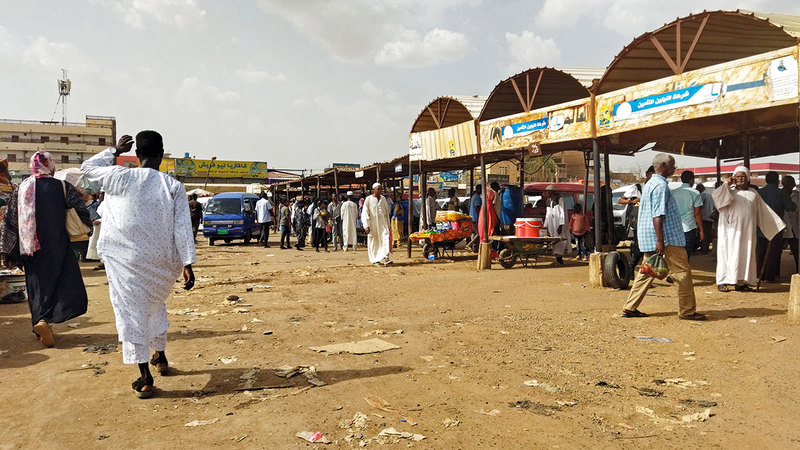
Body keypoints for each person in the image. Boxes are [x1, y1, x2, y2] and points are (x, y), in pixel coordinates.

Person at [81, 132, 196, 398]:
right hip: (162, 264)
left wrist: (114, 151)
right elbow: (182, 227)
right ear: (162, 153)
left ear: (137, 154)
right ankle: (161, 356)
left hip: (125, 262)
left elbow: (87, 170)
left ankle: (145, 377)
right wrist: (188, 263)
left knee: (131, 313)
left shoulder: (119, 176)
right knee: (154, 305)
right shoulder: (173, 186)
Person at [0, 151, 92, 348]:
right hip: (57, 244)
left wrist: (8, 251)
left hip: (30, 248)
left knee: (37, 285)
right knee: (62, 281)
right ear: (50, 164)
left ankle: (40, 323)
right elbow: (81, 211)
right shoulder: (61, 186)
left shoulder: (21, 188)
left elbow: (10, 221)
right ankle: (46, 321)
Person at [621, 153, 705, 320]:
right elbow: (658, 215)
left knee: (647, 272)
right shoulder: (660, 186)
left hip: (652, 236)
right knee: (682, 271)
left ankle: (630, 307)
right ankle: (687, 311)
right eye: (671, 165)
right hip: (666, 238)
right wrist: (660, 240)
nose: (674, 168)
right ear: (662, 167)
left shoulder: (650, 184)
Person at [713, 166, 786, 291]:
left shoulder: (754, 193)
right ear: (734, 177)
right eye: (738, 176)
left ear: (747, 178)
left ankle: (741, 283)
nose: (740, 178)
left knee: (746, 254)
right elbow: (717, 197)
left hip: (748, 232)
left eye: (743, 176)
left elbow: (764, 212)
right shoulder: (729, 191)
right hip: (730, 231)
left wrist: (776, 226)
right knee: (728, 254)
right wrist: (727, 183)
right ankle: (723, 281)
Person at [755, 171, 796, 282]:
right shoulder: (781, 193)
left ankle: (760, 275)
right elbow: (791, 207)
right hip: (776, 228)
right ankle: (770, 276)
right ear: (777, 181)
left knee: (761, 252)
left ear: (766, 180)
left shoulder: (759, 192)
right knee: (774, 252)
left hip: (760, 227)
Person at [671, 170, 704, 257]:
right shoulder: (695, 193)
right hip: (689, 227)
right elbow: (698, 213)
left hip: (676, 228)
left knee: (677, 254)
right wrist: (701, 230)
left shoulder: (673, 192)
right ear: (691, 180)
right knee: (686, 254)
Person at [362, 182, 392, 265]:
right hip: (373, 225)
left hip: (383, 224)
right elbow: (365, 213)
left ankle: (386, 258)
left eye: (380, 189)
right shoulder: (368, 199)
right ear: (373, 190)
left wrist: (388, 225)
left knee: (385, 239)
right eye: (378, 189)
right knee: (374, 242)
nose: (380, 191)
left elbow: (386, 213)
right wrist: (366, 226)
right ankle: (375, 259)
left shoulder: (383, 199)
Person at [543, 186, 572, 264]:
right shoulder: (548, 201)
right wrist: (545, 226)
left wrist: (561, 224)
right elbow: (547, 214)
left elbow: (562, 212)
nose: (546, 193)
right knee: (554, 240)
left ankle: (560, 259)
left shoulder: (560, 199)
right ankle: (558, 258)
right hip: (552, 223)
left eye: (548, 191)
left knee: (560, 240)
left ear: (552, 192)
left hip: (559, 222)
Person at [782, 175, 799, 269]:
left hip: (794, 227)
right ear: (783, 184)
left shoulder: (797, 195)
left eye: (791, 183)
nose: (790, 186)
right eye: (787, 184)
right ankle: (775, 274)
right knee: (776, 252)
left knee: (796, 251)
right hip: (782, 227)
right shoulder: (779, 194)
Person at [697, 183, 715, 254]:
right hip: (710, 217)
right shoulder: (710, 195)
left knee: (703, 234)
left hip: (704, 217)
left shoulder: (703, 195)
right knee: (708, 234)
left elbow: (699, 205)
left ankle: (704, 249)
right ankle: (706, 249)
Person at [87, 191, 104, 262]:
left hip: (103, 226)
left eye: (101, 195)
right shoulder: (99, 204)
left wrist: (100, 221)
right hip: (97, 226)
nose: (100, 196)